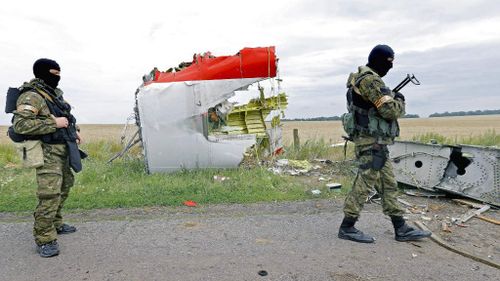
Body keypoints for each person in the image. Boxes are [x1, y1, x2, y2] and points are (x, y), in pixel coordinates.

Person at [338, 45, 431, 243]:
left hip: (376, 142)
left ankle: (401, 227)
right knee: (364, 183)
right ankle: (347, 226)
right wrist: (399, 100)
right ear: (380, 61)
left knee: (388, 185)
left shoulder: (362, 79)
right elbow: (390, 111)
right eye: (388, 62)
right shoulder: (370, 80)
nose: (390, 67)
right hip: (371, 142)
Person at [10, 58, 83, 257]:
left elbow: (64, 119)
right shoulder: (32, 96)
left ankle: (56, 223)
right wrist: (55, 124)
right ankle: (44, 238)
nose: (57, 77)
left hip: (64, 150)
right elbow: (21, 125)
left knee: (65, 187)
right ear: (41, 72)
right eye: (54, 73)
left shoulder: (54, 95)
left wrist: (73, 132)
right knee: (49, 195)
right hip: (46, 152)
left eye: (59, 73)